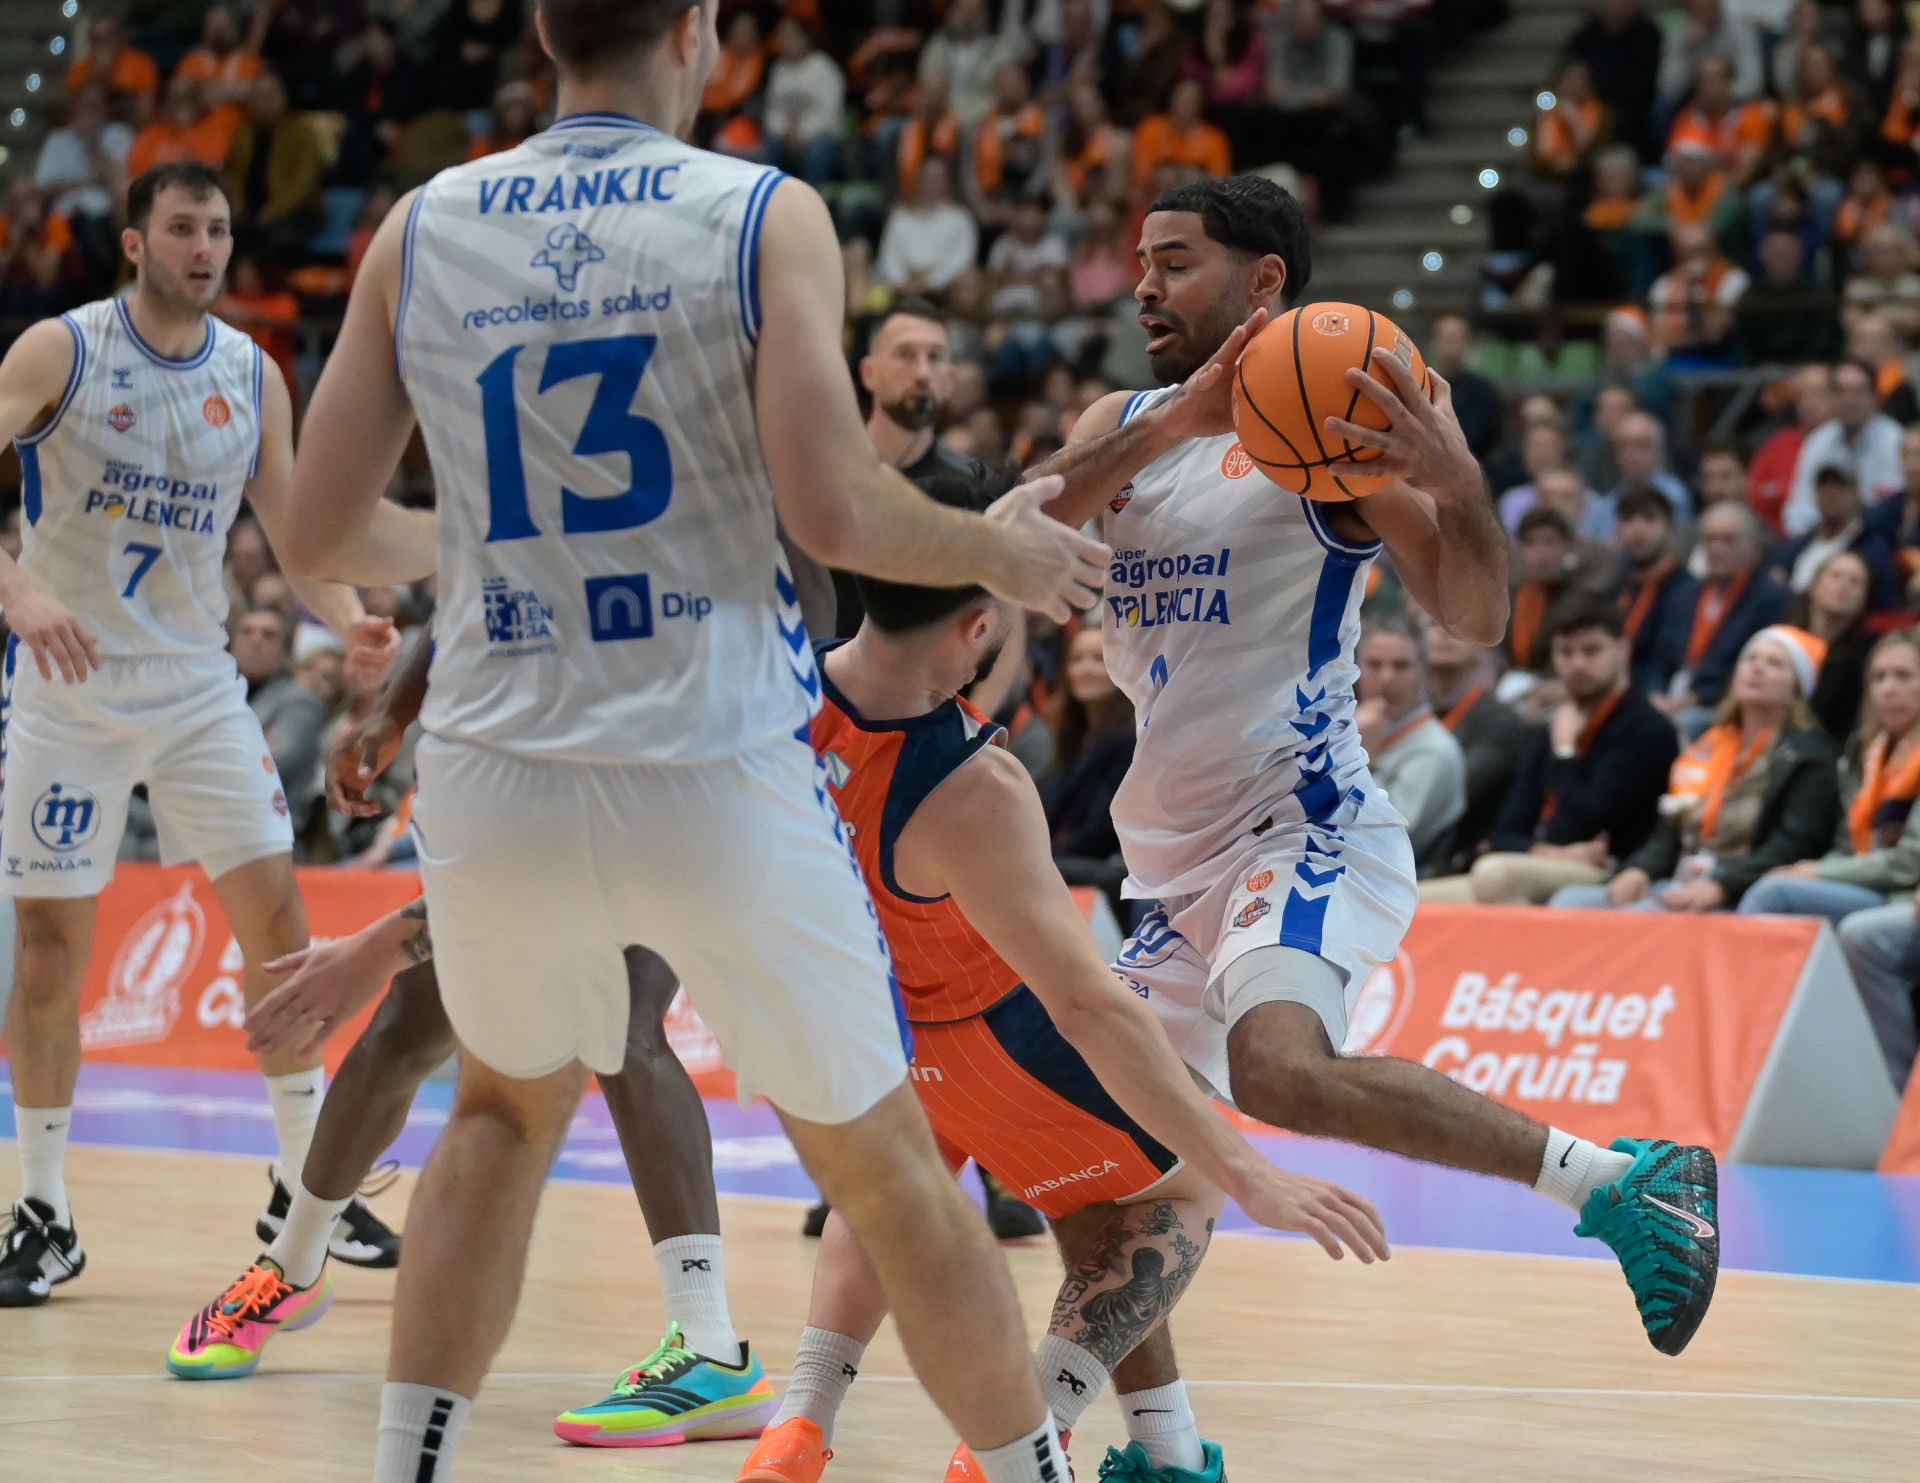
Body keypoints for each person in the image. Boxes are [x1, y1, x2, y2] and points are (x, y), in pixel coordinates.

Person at [278, 0, 1112, 1475]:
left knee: (495, 1110)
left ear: (543, 30)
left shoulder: (419, 224)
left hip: (498, 758)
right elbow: (836, 510)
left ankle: (410, 1460)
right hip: (711, 760)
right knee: (890, 1169)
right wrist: (1001, 552)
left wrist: (472, 533)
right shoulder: (761, 212)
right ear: (700, 32)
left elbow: (324, 526)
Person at [1024, 173, 1722, 1368]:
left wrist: (1455, 485)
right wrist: (1173, 423)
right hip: (1172, 858)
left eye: (1175, 260)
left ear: (1263, 284)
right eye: (1141, 259)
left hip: (1301, 825)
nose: (1144, 281)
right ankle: (1164, 1440)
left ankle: (1620, 1182)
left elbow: (1480, 615)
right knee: (1082, 1130)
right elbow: (1010, 534)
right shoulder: (1117, 425)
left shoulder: (1331, 444)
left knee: (1279, 1069)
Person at [733, 469, 1386, 1483]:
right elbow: (1089, 1006)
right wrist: (1250, 1166)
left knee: (895, 1188)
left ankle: (799, 1426)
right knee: (1185, 1187)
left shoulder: (766, 697)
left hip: (856, 1029)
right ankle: (1020, 1442)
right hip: (996, 1038)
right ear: (980, 626)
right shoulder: (971, 785)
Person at [0, 161, 426, 1308]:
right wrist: (17, 593)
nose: (204, 245)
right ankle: (45, 1208)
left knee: (281, 928)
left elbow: (297, 529)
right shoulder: (62, 351)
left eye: (219, 229)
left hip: (194, 690)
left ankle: (306, 1191)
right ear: (134, 245)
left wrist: (349, 620)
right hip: (67, 686)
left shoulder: (253, 372)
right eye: (181, 227)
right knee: (47, 953)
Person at [1551, 626, 1841, 912]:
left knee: (1636, 919)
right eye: (1750, 659)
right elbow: (1669, 830)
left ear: (1798, 686)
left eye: (1775, 664)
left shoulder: (1810, 756)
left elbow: (1793, 844)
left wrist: (1723, 886)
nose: (1757, 668)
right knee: (1570, 902)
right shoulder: (1708, 745)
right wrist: (1640, 869)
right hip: (1682, 877)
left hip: (1741, 886)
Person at [1423, 602, 1680, 905]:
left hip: (1609, 869)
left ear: (1622, 650)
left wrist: (1566, 753)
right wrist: (1549, 852)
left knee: (1495, 875)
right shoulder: (1552, 726)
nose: (1578, 664)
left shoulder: (1648, 729)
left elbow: (1588, 818)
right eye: (1566, 653)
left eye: (1591, 651)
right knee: (1415, 900)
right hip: (1540, 860)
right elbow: (1505, 830)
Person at [1740, 630, 1920, 924]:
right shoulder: (1864, 751)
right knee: (1777, 882)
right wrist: (1812, 869)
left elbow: (1911, 862)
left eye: (1903, 676)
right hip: (1862, 880)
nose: (1888, 689)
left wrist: (1820, 872)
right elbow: (1846, 844)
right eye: (1878, 677)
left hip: (1902, 893)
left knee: (1773, 895)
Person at [1658, 502, 1790, 730]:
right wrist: (1654, 693)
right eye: (1710, 539)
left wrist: (1698, 697)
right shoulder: (1686, 592)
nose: (1716, 548)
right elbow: (1658, 655)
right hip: (1671, 694)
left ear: (1752, 545)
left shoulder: (1769, 598)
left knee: (1685, 724)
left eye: (1728, 540)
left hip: (1718, 704)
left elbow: (1748, 663)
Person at [1355, 617, 1466, 871]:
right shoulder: (1344, 727)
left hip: (1399, 881)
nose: (1386, 677)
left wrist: (1364, 763)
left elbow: (1382, 839)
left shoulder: (1435, 750)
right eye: (1374, 664)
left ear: (1424, 672)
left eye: (1401, 666)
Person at [1424, 612, 1530, 872]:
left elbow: (1455, 794)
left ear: (1482, 643)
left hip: (1460, 857)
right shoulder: (1416, 712)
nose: (1443, 634)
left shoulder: (1500, 721)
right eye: (1433, 624)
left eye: (1455, 625)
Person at [231, 605, 329, 840]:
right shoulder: (216, 698)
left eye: (268, 635)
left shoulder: (301, 701)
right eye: (246, 632)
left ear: (287, 647)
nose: (256, 641)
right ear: (232, 643)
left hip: (267, 830)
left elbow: (267, 765)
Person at [1782, 361, 1908, 535]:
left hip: (1879, 535)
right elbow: (1799, 507)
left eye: (1858, 392)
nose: (1849, 400)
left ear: (1875, 397)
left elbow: (1894, 507)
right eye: (1841, 391)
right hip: (1825, 534)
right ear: (1831, 397)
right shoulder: (1818, 440)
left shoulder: (1895, 440)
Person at [1771, 465, 1897, 607]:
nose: (1830, 494)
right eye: (1823, 487)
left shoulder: (1871, 546)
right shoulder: (1801, 542)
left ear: (1856, 494)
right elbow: (1775, 573)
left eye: (1839, 487)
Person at [1614, 486, 1699, 694]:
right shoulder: (1613, 585)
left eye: (1649, 519)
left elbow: (1667, 660)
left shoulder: (1686, 588)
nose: (1638, 530)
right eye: (1628, 520)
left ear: (1672, 528)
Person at [1790, 550, 1875, 741]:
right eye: (1835, 576)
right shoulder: (1782, 640)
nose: (1843, 586)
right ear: (1814, 584)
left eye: (1855, 582)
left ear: (1865, 599)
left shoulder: (1862, 660)